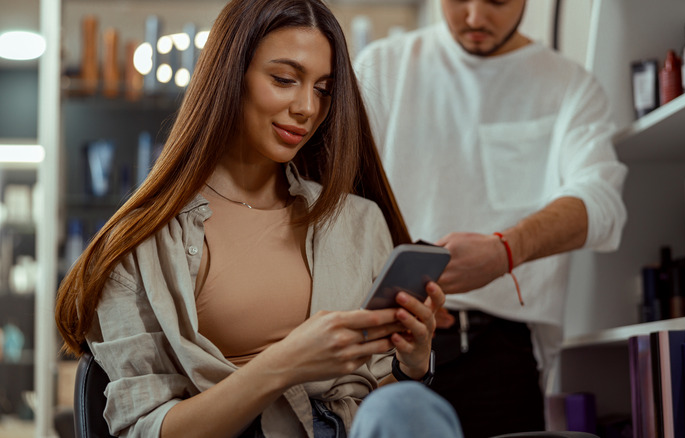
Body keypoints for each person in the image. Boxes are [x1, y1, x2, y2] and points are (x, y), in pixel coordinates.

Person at [54, 0, 464, 437]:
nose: (307, 107)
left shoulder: (357, 221)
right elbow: (143, 429)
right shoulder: (140, 243)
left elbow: (375, 408)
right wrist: (284, 364)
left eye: (324, 89)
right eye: (284, 80)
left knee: (408, 406)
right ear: (231, 76)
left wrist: (411, 366)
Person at [353, 0, 628, 436]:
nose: (476, 17)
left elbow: (602, 204)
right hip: (388, 346)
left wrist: (506, 250)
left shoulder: (569, 85)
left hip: (501, 355)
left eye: (497, 0)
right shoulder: (381, 70)